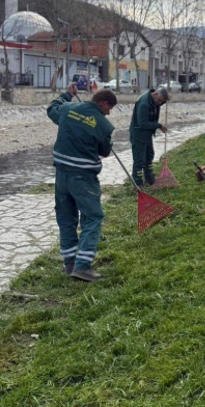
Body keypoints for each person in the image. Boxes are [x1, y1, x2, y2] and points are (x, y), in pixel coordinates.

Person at [47, 83, 117, 282]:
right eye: (109, 108)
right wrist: (108, 139)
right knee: (93, 217)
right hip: (83, 178)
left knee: (66, 218)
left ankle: (69, 263)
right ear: (103, 103)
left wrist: (67, 95)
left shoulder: (68, 109)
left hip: (61, 175)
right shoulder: (104, 125)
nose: (109, 113)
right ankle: (83, 266)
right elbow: (104, 151)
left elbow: (52, 109)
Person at [129, 87, 170, 188]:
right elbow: (142, 123)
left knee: (149, 155)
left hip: (147, 134)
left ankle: (149, 177)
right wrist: (158, 125)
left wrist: (165, 101)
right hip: (138, 134)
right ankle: (137, 182)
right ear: (155, 94)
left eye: (162, 102)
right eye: (159, 100)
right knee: (139, 159)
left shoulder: (156, 102)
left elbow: (159, 105)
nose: (160, 103)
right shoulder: (144, 104)